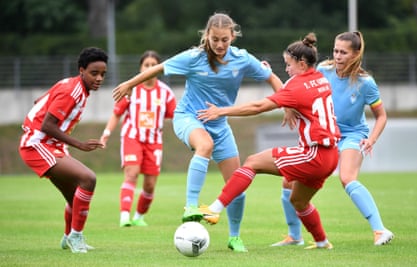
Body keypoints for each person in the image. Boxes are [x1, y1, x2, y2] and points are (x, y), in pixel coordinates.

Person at [112, 13, 283, 252]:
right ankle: (190, 206)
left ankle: (235, 237)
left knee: (237, 185)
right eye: (215, 39)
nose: (220, 45)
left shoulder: (242, 59)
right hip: (189, 118)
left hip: (220, 124)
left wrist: (289, 106)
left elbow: (272, 78)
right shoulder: (194, 58)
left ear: (232, 36)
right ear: (207, 36)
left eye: (224, 39)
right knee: (204, 146)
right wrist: (130, 84)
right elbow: (158, 69)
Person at [197, 32, 341, 250]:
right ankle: (322, 242)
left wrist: (221, 111)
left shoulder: (297, 87)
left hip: (314, 154)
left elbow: (258, 107)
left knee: (253, 161)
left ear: (301, 63)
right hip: (331, 156)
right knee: (299, 201)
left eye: (289, 64)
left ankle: (215, 209)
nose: (287, 69)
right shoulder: (320, 79)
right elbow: (294, 92)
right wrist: (286, 100)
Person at [273, 31, 394, 247]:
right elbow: (296, 87)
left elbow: (381, 116)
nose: (337, 56)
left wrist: (371, 139)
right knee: (287, 181)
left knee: (347, 178)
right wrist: (288, 108)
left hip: (352, 135)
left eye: (343, 52)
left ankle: (380, 230)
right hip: (325, 136)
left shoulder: (366, 83)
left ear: (356, 54)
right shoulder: (323, 70)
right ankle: (294, 236)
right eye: (335, 50)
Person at [18, 47, 108, 253]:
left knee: (74, 196)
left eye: (103, 74)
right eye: (94, 73)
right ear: (82, 70)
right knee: (88, 179)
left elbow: (38, 102)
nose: (99, 78)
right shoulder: (72, 91)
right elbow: (47, 126)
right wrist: (80, 145)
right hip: (36, 144)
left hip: (50, 145)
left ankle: (69, 237)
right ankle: (76, 236)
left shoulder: (73, 85)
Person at [100, 50, 176, 227]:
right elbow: (116, 114)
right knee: (131, 174)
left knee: (149, 185)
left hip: (154, 142)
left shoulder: (166, 93)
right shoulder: (131, 89)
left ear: (159, 69)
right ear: (141, 68)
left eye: (153, 65)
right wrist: (105, 134)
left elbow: (175, 115)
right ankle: (124, 216)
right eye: (146, 65)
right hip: (132, 137)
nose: (149, 68)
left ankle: (139, 217)